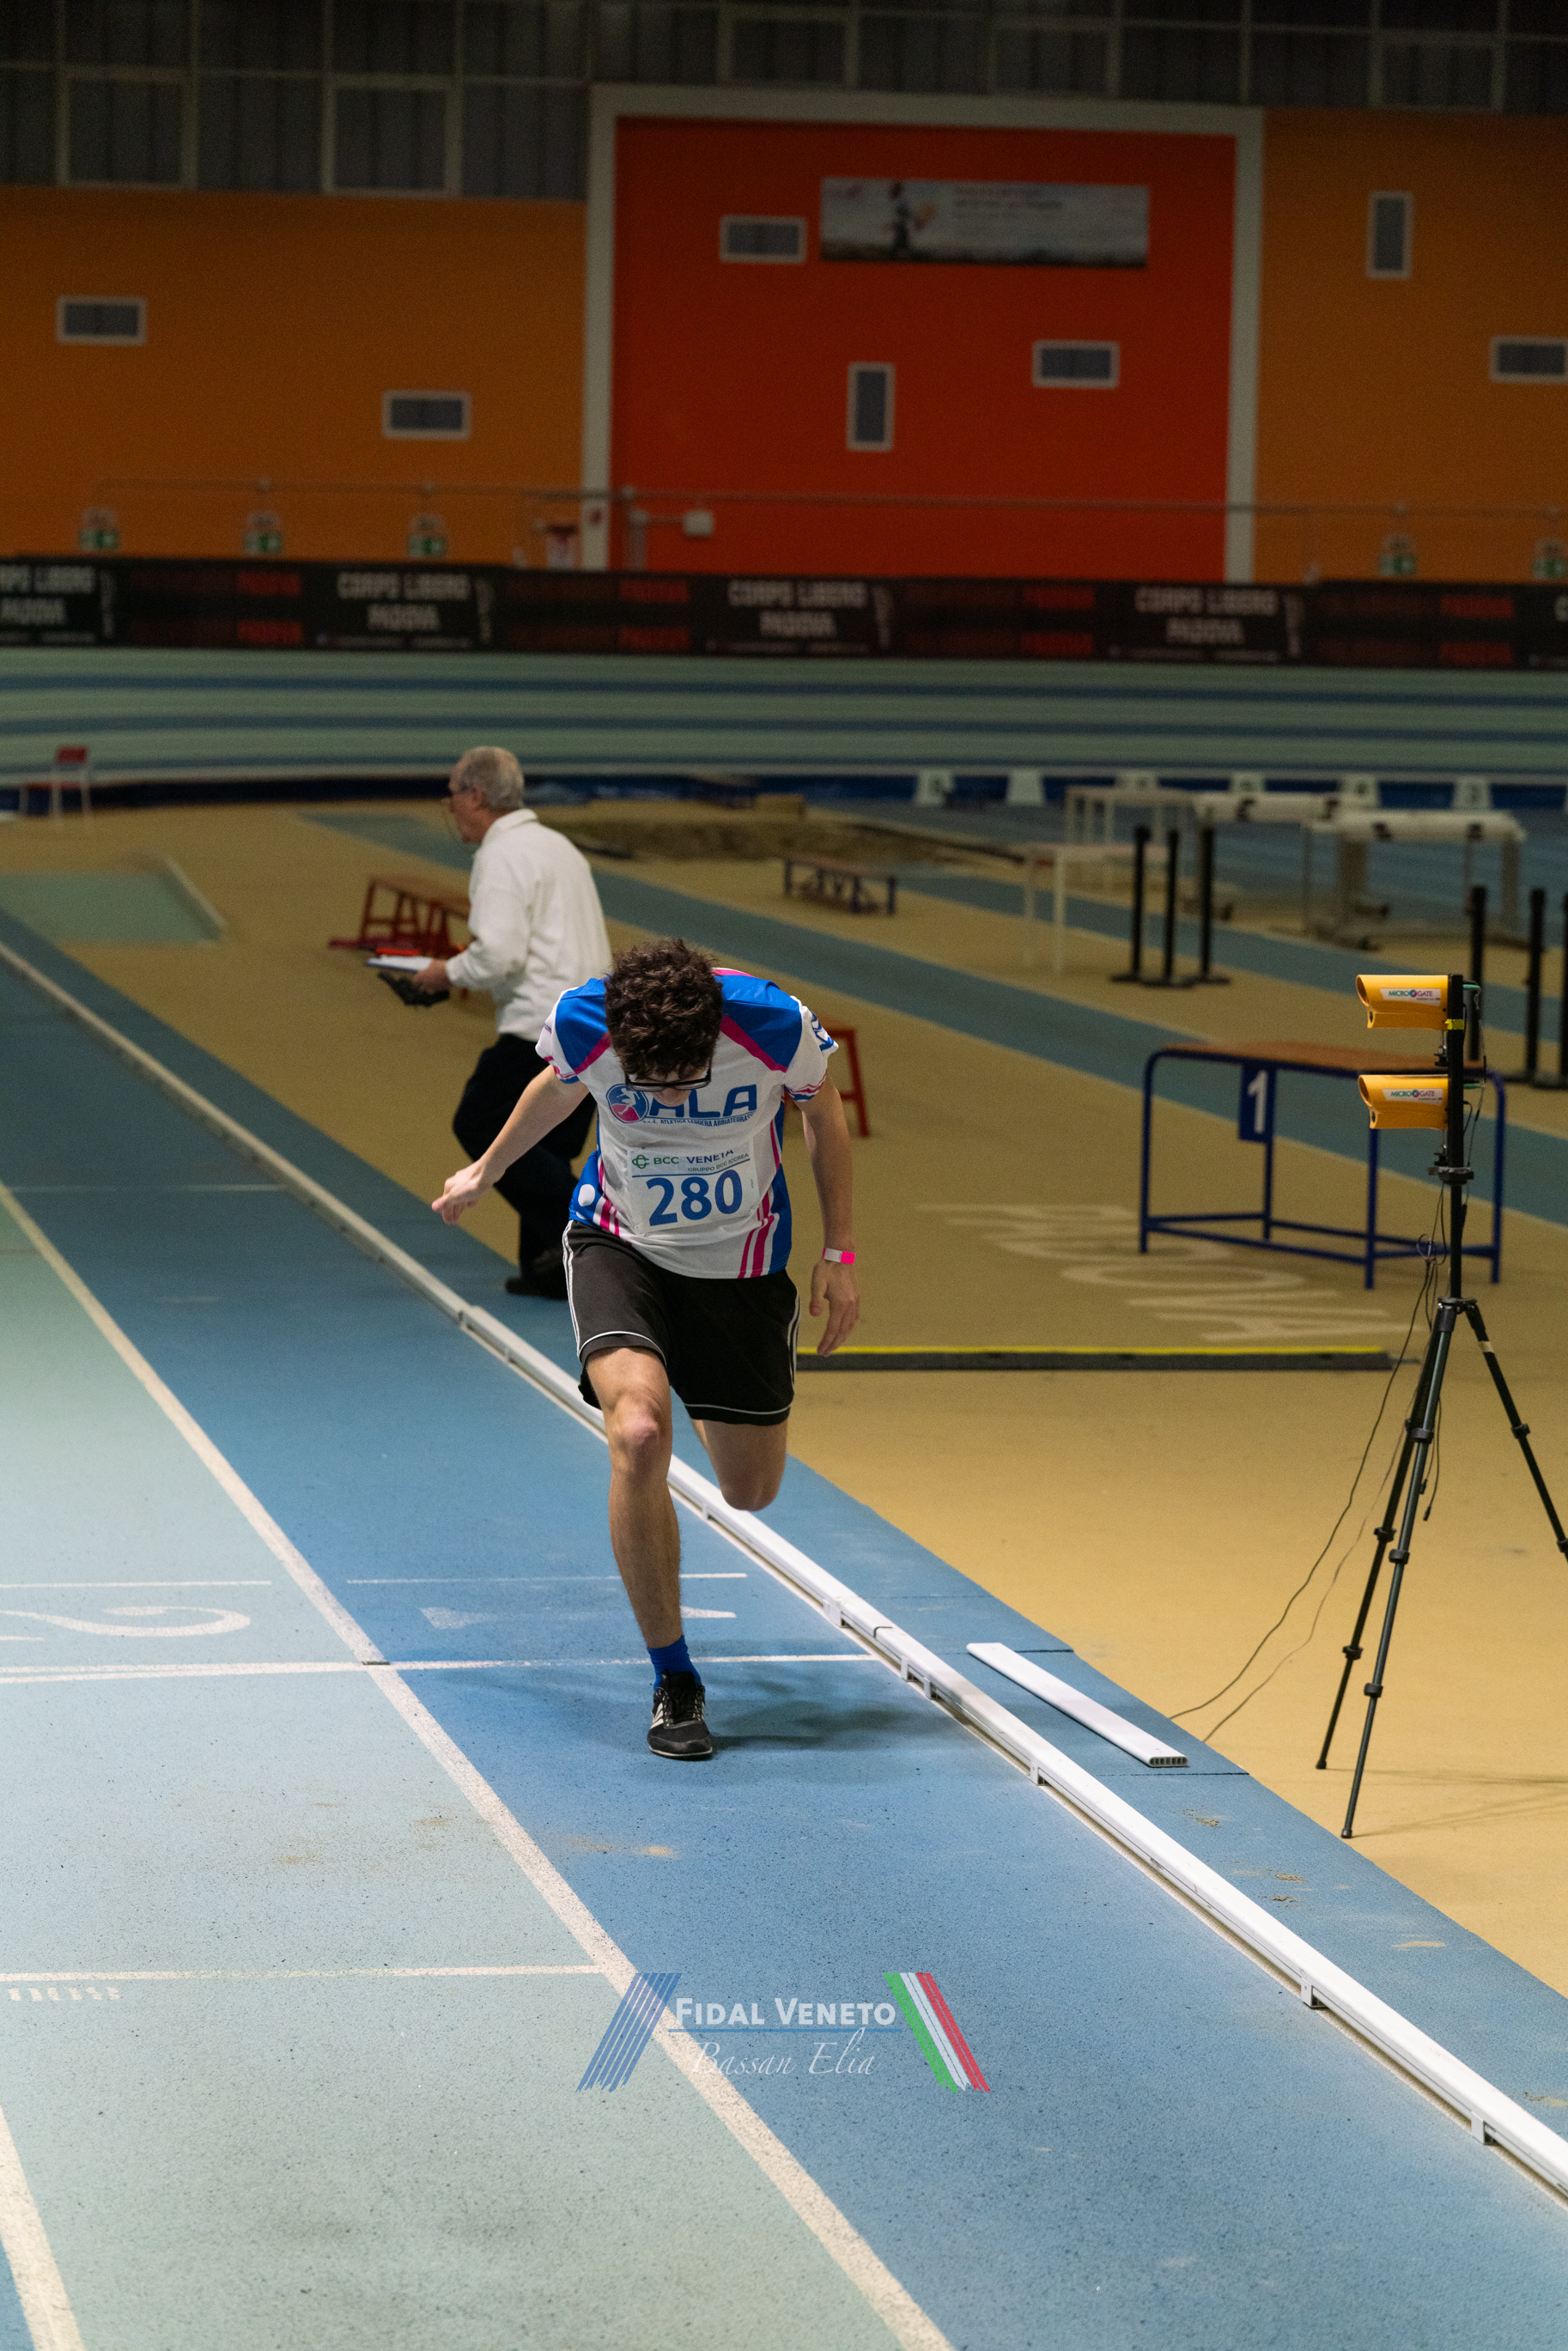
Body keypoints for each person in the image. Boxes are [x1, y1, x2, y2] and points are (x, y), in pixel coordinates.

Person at [431, 936, 860, 1761]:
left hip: (740, 1266)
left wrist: (839, 1251)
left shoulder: (772, 1023)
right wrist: (487, 1169)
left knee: (751, 1491)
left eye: (682, 1081)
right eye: (646, 1083)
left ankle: (688, 1376)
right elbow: (557, 1089)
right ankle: (675, 1678)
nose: (664, 1097)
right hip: (618, 1244)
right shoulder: (585, 1019)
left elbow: (823, 1111)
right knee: (637, 1432)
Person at [412, 746, 611, 1298]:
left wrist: (445, 973)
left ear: (476, 796)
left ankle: (594, 1236)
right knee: (548, 1144)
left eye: (453, 795)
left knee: (480, 1123)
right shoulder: (558, 847)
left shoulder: (500, 856)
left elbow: (499, 954)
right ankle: (551, 1268)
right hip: (594, 1019)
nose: (449, 806)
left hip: (541, 1024)